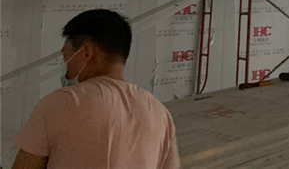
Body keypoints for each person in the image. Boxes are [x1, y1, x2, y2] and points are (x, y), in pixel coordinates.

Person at [12, 9, 180, 169]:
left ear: (86, 52)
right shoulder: (159, 112)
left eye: (66, 57)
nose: (67, 69)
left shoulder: (59, 104)